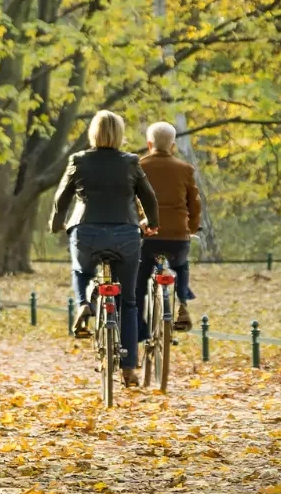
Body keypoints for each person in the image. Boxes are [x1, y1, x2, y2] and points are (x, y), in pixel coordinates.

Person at [49, 110, 159, 387]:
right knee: (130, 302)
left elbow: (62, 197)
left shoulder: (78, 160)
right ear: (119, 134)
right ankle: (129, 368)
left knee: (81, 270)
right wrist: (152, 223)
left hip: (86, 232)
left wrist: (56, 223)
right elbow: (148, 196)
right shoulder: (131, 162)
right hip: (126, 235)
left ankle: (85, 304)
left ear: (93, 133)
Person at [137, 121, 201, 333]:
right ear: (173, 146)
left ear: (149, 144)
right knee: (181, 266)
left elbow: (132, 200)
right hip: (177, 237)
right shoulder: (185, 169)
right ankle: (182, 302)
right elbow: (194, 203)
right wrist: (191, 228)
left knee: (139, 280)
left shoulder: (139, 167)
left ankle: (138, 326)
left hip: (147, 236)